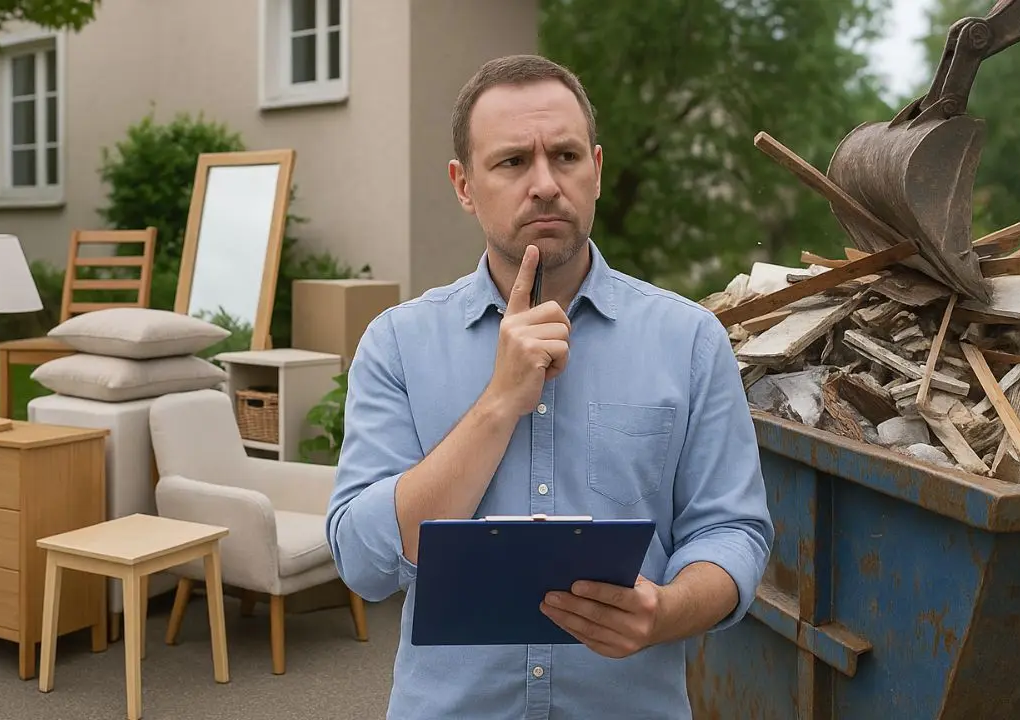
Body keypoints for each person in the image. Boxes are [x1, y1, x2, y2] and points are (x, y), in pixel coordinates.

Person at [325, 53, 773, 719]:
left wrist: (665, 611)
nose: (544, 183)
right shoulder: (397, 344)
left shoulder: (688, 340)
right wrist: (499, 402)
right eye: (511, 162)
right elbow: (361, 559)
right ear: (463, 184)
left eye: (564, 156)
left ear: (595, 168)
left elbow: (732, 529)